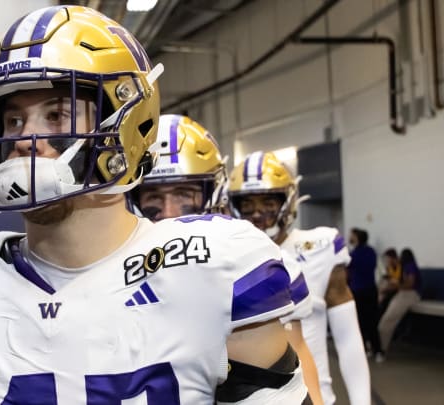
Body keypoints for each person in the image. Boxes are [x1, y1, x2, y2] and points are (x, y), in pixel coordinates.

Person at [0, 6, 310, 404]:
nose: (23, 138)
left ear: (126, 124)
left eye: (56, 115)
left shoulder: (213, 265)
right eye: (14, 120)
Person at [131, 114, 323, 404]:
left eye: (184, 193)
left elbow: (292, 369)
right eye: (153, 196)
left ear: (215, 191)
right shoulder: (106, 267)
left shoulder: (253, 264)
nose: (169, 212)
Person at [227, 151, 371, 405]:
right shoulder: (221, 254)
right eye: (247, 204)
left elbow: (348, 337)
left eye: (268, 202)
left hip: (314, 397)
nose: (257, 213)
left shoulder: (320, 246)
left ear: (289, 200)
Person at [378, 248, 422, 356]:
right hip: (404, 293)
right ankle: (378, 346)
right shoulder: (403, 267)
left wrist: (395, 286)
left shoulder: (409, 266)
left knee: (387, 321)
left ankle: (381, 348)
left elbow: (409, 285)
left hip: (410, 294)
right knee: (384, 318)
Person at [348, 227, 384, 360]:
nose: (349, 238)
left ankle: (367, 349)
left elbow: (348, 271)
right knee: (371, 322)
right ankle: (377, 351)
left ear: (357, 237)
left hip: (359, 291)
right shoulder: (371, 252)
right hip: (370, 290)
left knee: (361, 322)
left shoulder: (354, 254)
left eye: (351, 236)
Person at [378, 248, 400, 317]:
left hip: (398, 290)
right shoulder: (389, 268)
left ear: (392, 258)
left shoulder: (401, 267)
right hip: (389, 289)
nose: (386, 261)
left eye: (387, 259)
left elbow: (399, 282)